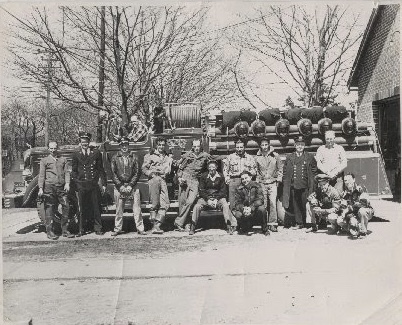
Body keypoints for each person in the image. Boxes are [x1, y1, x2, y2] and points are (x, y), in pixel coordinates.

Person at [71, 131, 107, 237]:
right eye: (82, 141)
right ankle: (81, 229)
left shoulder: (95, 153)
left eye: (86, 141)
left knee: (96, 207)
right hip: (81, 185)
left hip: (93, 184)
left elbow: (100, 169)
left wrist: (103, 183)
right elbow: (74, 170)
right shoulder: (76, 154)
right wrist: (77, 182)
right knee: (81, 208)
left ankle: (98, 228)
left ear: (89, 142)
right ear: (80, 142)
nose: (84, 143)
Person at [38, 141, 74, 240]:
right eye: (51, 148)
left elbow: (67, 172)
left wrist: (67, 183)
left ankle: (65, 230)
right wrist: (40, 188)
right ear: (48, 149)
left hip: (61, 187)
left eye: (55, 148)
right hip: (49, 187)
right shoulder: (44, 160)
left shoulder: (63, 159)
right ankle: (50, 232)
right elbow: (41, 175)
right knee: (49, 208)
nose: (53, 150)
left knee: (66, 206)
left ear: (57, 148)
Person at [110, 137, 146, 236]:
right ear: (120, 146)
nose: (124, 147)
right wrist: (120, 186)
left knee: (137, 209)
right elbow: (113, 173)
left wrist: (130, 185)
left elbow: (137, 172)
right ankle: (117, 229)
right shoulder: (115, 158)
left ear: (128, 145)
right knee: (119, 209)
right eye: (122, 145)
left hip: (133, 187)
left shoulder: (134, 157)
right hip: (119, 187)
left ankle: (140, 228)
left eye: (126, 145)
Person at [190, 160, 237, 235]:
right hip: (206, 198)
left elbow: (223, 191)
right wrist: (208, 199)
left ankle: (229, 225)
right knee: (197, 206)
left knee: (225, 205)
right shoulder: (203, 176)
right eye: (210, 167)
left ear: (216, 167)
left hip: (218, 198)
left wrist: (216, 199)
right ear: (208, 168)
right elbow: (201, 190)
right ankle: (193, 225)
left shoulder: (221, 176)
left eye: (213, 167)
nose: (212, 169)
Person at [174, 139, 211, 232]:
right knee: (182, 202)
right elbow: (180, 168)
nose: (196, 148)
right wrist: (179, 178)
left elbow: (212, 164)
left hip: (195, 180)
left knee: (190, 201)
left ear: (201, 146)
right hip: (185, 179)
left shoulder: (205, 156)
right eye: (194, 146)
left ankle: (178, 221)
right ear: (192, 147)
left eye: (198, 146)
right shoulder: (187, 156)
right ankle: (185, 224)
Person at [282, 136, 317, 229]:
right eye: (298, 145)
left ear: (304, 146)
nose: (300, 146)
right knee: (296, 204)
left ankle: (307, 223)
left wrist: (312, 182)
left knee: (305, 203)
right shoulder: (289, 157)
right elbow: (285, 171)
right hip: (293, 185)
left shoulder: (309, 157)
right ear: (295, 145)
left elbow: (314, 170)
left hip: (305, 185)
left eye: (302, 145)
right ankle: (299, 223)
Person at [142, 137, 173, 234]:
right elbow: (144, 168)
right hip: (154, 179)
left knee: (165, 204)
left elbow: (168, 167)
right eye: (159, 145)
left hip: (163, 180)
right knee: (155, 204)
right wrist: (151, 174)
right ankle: (154, 226)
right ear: (156, 145)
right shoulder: (150, 155)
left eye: (163, 145)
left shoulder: (167, 156)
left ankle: (157, 225)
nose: (161, 146)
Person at [254, 137, 283, 232]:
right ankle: (264, 223)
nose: (264, 147)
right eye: (262, 145)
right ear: (260, 146)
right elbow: (256, 171)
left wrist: (278, 180)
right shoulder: (257, 157)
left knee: (272, 203)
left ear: (269, 145)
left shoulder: (275, 156)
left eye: (266, 144)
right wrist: (258, 181)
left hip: (272, 182)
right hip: (262, 183)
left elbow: (280, 169)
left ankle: (273, 223)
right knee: (264, 204)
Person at [223, 138, 257, 215]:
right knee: (233, 202)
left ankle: (245, 222)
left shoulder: (250, 158)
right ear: (235, 148)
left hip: (245, 182)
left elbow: (254, 171)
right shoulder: (230, 157)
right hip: (234, 180)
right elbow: (225, 169)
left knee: (245, 202)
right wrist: (227, 177)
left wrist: (248, 175)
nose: (239, 149)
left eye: (241, 147)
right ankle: (234, 224)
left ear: (244, 147)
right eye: (237, 147)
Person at [233, 170, 269, 236]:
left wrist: (251, 208)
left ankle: (265, 229)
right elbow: (237, 203)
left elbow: (260, 200)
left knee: (262, 209)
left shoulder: (257, 186)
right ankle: (244, 227)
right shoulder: (239, 188)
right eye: (242, 179)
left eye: (246, 178)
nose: (244, 180)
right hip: (245, 212)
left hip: (255, 210)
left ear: (250, 177)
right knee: (238, 214)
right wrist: (243, 208)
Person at [340, 173, 375, 238]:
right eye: (345, 181)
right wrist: (347, 214)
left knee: (362, 211)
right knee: (339, 220)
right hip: (354, 212)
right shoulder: (345, 193)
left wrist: (350, 208)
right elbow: (343, 207)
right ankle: (353, 228)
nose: (347, 182)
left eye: (349, 180)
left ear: (354, 180)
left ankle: (363, 232)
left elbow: (364, 204)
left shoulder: (361, 188)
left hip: (366, 211)